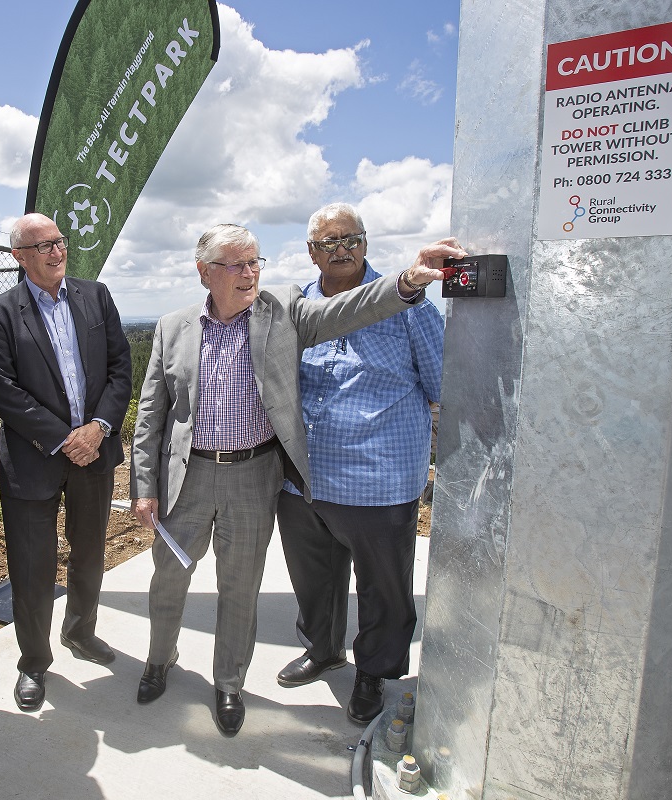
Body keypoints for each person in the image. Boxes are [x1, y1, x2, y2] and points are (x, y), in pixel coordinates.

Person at [130, 223, 462, 736]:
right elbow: (152, 412)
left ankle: (228, 684)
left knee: (239, 588)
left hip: (253, 476)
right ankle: (159, 660)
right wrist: (145, 484)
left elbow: (348, 308)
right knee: (168, 577)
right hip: (187, 477)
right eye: (236, 265)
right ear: (204, 273)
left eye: (255, 262)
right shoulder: (173, 327)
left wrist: (409, 281)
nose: (249, 273)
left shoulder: (283, 310)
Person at [274, 203, 444, 727]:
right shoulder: (295, 309)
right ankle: (324, 650)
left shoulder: (409, 305)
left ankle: (374, 672)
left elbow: (441, 382)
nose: (342, 250)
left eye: (351, 239)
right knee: (313, 579)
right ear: (311, 253)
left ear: (366, 245)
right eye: (329, 243)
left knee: (383, 588)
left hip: (379, 476)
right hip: (304, 478)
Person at [0, 212, 132, 712]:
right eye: (42, 246)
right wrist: (65, 438)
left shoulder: (96, 297)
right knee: (32, 566)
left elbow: (119, 370)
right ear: (19, 257)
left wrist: (98, 428)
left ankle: (80, 633)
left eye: (59, 242)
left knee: (88, 554)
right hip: (35, 459)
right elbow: (1, 387)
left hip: (95, 451)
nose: (56, 252)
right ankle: (34, 662)